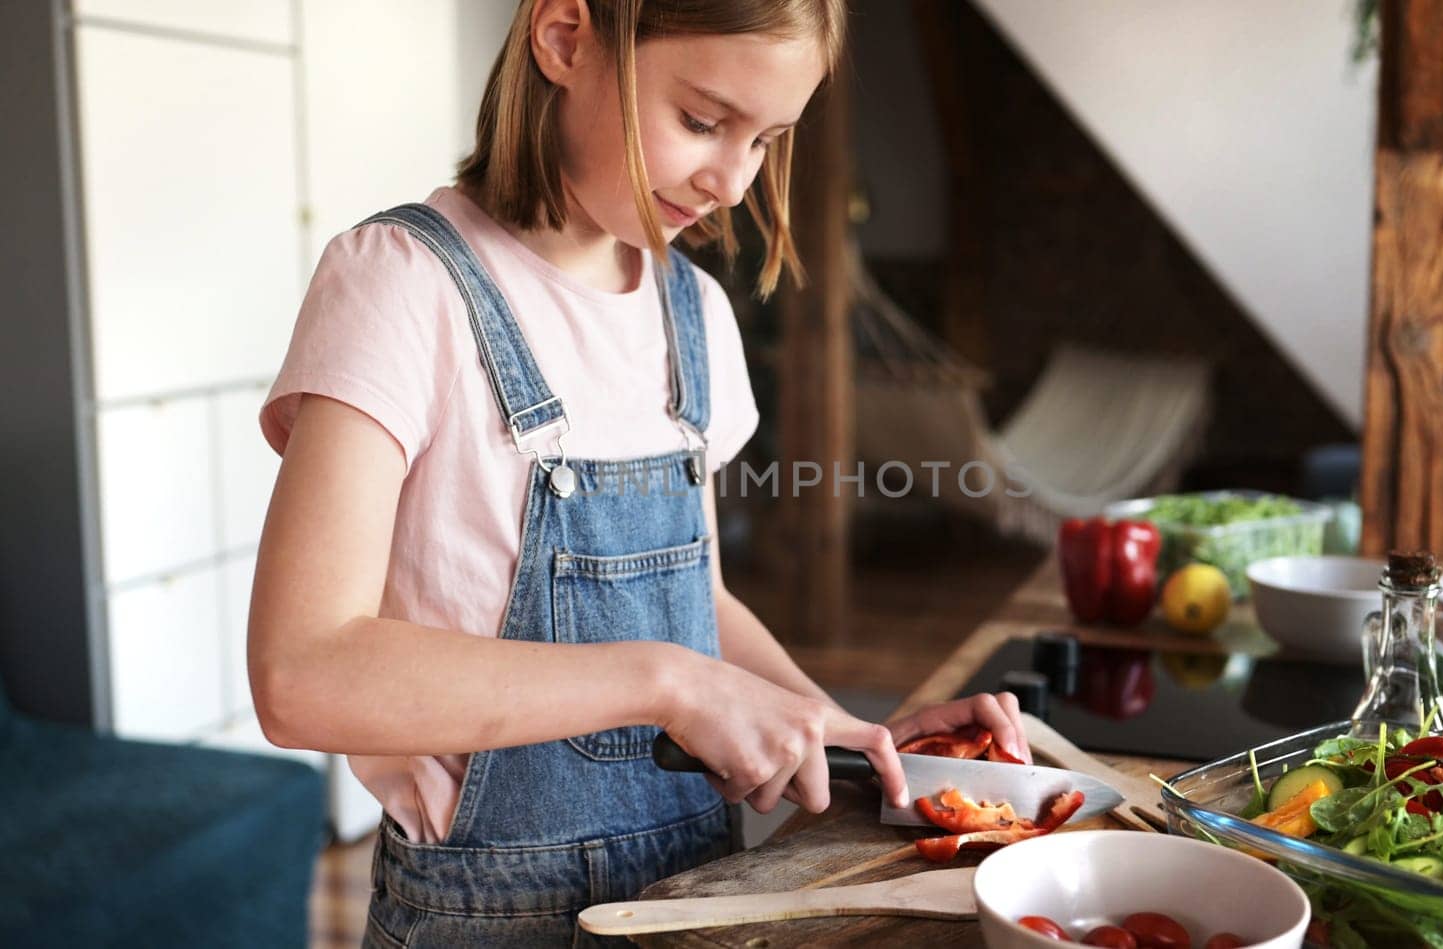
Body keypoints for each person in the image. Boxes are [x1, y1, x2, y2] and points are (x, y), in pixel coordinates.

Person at [248, 0, 1030, 944]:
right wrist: (667, 682)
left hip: (700, 900)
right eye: (702, 122)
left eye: (768, 140)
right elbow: (301, 673)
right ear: (565, 36)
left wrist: (835, 733)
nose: (735, 182)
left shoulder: (695, 313)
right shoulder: (400, 283)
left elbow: (695, 603)